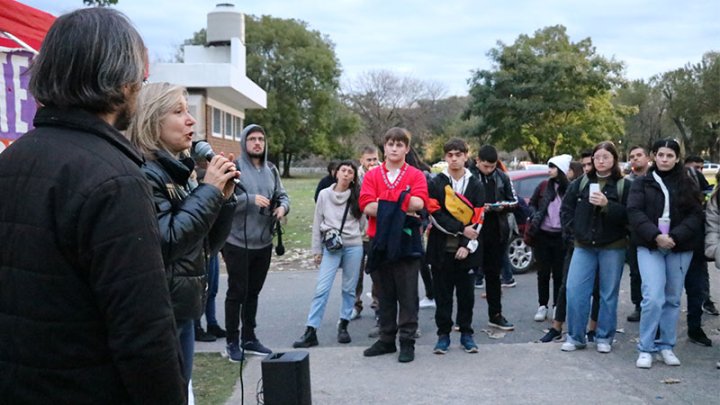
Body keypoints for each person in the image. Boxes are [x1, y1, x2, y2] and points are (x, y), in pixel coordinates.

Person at [0, 8, 186, 403]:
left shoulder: (11, 161)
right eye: (140, 75)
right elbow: (144, 336)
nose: (141, 84)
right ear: (119, 81)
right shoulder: (115, 180)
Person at [128, 82, 238, 385]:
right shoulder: (145, 174)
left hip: (183, 307)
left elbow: (205, 247)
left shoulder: (179, 172)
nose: (191, 120)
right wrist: (209, 191)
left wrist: (223, 199)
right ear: (151, 120)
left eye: (189, 110)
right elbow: (168, 241)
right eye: (179, 111)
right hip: (161, 313)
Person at [627, 139, 703, 368]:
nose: (665, 159)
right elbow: (634, 212)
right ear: (653, 156)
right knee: (652, 298)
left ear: (677, 158)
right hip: (650, 246)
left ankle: (666, 346)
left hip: (679, 247)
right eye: (661, 155)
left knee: (672, 299)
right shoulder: (642, 183)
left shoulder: (687, 183)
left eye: (670, 156)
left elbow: (696, 215)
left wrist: (676, 236)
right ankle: (646, 347)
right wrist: (655, 235)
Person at [360, 127, 429, 363]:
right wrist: (401, 202)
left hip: (407, 240)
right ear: (384, 147)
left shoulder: (416, 175)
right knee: (384, 293)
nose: (394, 148)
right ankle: (386, 339)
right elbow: (366, 206)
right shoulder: (372, 175)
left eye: (400, 144)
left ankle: (407, 341)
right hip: (378, 240)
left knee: (408, 293)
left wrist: (386, 201)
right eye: (390, 144)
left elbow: (420, 203)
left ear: (407, 148)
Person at [223, 124, 290, 361]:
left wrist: (282, 207)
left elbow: (282, 195)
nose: (257, 143)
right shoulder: (236, 168)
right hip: (236, 241)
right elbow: (223, 199)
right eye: (252, 139)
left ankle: (249, 338)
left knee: (253, 292)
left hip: (263, 241)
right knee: (237, 291)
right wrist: (249, 200)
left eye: (261, 139)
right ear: (244, 142)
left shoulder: (271, 169)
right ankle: (231, 342)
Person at [561, 141, 629, 354]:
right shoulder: (580, 183)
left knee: (608, 293)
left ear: (614, 160)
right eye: (597, 157)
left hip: (613, 246)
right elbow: (566, 210)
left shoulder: (623, 185)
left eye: (606, 157)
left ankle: (604, 336)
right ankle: (575, 336)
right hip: (583, 246)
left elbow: (629, 215)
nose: (600, 161)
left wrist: (607, 205)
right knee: (575, 291)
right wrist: (573, 233)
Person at [293, 161, 366, 347]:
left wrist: (355, 235)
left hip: (353, 246)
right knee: (322, 289)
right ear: (336, 173)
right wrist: (316, 250)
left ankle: (344, 325)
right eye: (343, 170)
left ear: (353, 178)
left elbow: (363, 223)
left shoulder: (356, 196)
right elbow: (317, 222)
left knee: (349, 289)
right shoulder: (325, 195)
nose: (346, 174)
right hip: (331, 246)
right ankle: (311, 330)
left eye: (350, 172)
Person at [426, 138, 484, 354]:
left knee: (466, 295)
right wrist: (461, 229)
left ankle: (467, 334)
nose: (454, 159)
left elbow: (478, 218)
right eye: (450, 155)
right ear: (445, 157)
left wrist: (466, 244)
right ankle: (443, 335)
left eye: (458, 154)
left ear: (466, 156)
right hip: (440, 248)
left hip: (466, 250)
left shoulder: (476, 184)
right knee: (442, 295)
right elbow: (435, 214)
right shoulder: (436, 183)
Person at [475, 145, 518, 331]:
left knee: (493, 276)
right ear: (477, 161)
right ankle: (463, 319)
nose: (489, 170)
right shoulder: (469, 176)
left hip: (496, 230)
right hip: (473, 230)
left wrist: (502, 206)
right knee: (467, 276)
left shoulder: (502, 177)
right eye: (485, 166)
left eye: (492, 166)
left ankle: (496, 315)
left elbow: (515, 201)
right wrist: (478, 207)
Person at [527, 154, 571, 322]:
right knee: (543, 272)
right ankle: (542, 305)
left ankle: (556, 307)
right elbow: (531, 204)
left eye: (553, 167)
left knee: (559, 274)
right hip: (543, 235)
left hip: (561, 236)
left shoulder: (569, 188)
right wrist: (534, 215)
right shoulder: (544, 186)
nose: (549, 170)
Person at [352, 146, 380, 321]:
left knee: (378, 271)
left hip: (376, 231)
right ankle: (355, 304)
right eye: (368, 160)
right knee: (356, 272)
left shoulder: (382, 174)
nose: (372, 163)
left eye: (374, 159)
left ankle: (378, 305)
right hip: (357, 232)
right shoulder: (354, 177)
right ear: (361, 160)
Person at [625, 145, 651, 323]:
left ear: (648, 157)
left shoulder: (655, 178)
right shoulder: (627, 181)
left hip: (656, 231)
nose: (635, 159)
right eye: (632, 156)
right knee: (635, 272)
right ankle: (638, 305)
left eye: (639, 155)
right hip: (633, 233)